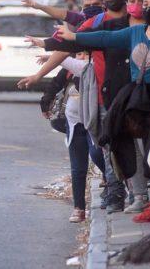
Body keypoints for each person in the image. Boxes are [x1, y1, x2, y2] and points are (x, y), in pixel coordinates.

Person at [55, 0, 150, 224]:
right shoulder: (135, 32)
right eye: (146, 4)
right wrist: (74, 37)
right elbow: (104, 38)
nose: (148, 8)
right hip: (146, 100)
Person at [21, 0, 130, 212]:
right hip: (103, 93)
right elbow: (67, 44)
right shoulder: (94, 22)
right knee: (106, 145)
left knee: (131, 145)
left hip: (133, 91)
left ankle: (136, 192)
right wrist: (39, 74)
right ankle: (115, 191)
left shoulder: (134, 21)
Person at [40, 52, 98, 222]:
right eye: (77, 54)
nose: (80, 57)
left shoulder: (94, 66)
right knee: (77, 167)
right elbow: (55, 84)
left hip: (95, 123)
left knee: (97, 155)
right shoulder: (69, 70)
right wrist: (45, 102)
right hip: (73, 123)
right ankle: (78, 208)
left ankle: (115, 188)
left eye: (83, 54)